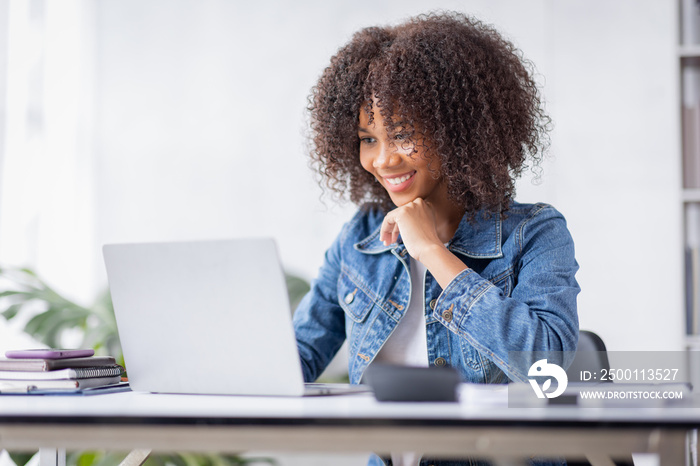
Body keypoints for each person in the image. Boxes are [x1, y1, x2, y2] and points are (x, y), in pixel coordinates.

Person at [292, 11, 580, 466]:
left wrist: (432, 252)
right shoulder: (360, 239)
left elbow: (546, 371)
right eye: (368, 139)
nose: (383, 159)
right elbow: (296, 359)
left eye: (402, 135)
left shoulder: (535, 233)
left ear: (457, 131)